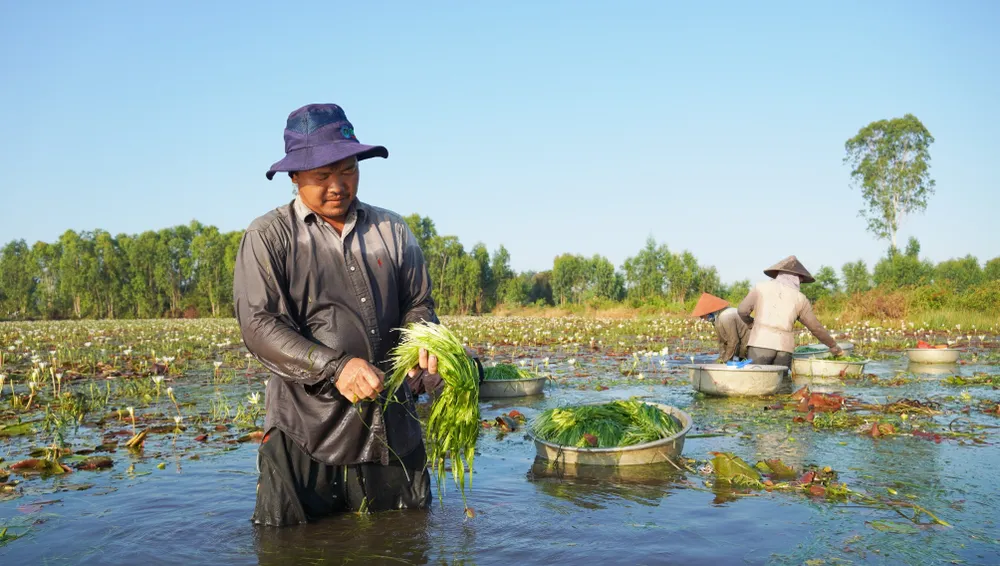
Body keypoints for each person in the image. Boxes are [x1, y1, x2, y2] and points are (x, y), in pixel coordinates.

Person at [234, 103, 455, 526]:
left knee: (405, 541)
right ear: (294, 177)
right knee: (288, 547)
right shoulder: (269, 236)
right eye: (322, 176)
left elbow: (419, 303)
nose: (338, 185)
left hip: (392, 424)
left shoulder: (392, 230)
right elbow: (259, 324)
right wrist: (336, 367)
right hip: (306, 430)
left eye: (348, 170)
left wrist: (423, 339)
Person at [737, 256, 843, 370]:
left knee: (756, 380)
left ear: (779, 274)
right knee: (782, 384)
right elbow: (815, 328)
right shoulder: (801, 298)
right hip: (784, 348)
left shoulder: (760, 287)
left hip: (760, 342)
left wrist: (750, 324)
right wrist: (833, 345)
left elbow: (742, 310)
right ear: (798, 278)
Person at [690, 292, 750, 363]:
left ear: (709, 312)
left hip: (751, 343)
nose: (702, 319)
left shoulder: (726, 316)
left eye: (703, 316)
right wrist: (722, 357)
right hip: (741, 343)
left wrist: (726, 360)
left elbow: (734, 341)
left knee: (744, 362)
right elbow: (721, 342)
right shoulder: (716, 318)